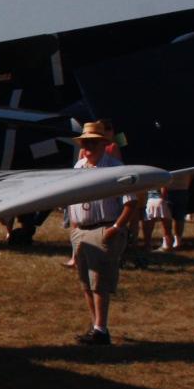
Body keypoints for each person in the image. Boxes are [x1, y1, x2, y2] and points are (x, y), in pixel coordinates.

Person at [65, 120, 143, 346]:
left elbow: (130, 202)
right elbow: (71, 201)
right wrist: (74, 230)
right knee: (85, 283)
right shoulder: (78, 167)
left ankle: (101, 329)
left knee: (99, 282)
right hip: (81, 230)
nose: (88, 148)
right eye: (85, 143)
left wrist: (116, 228)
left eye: (92, 144)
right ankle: (96, 325)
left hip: (103, 229)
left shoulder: (115, 169)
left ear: (102, 145)